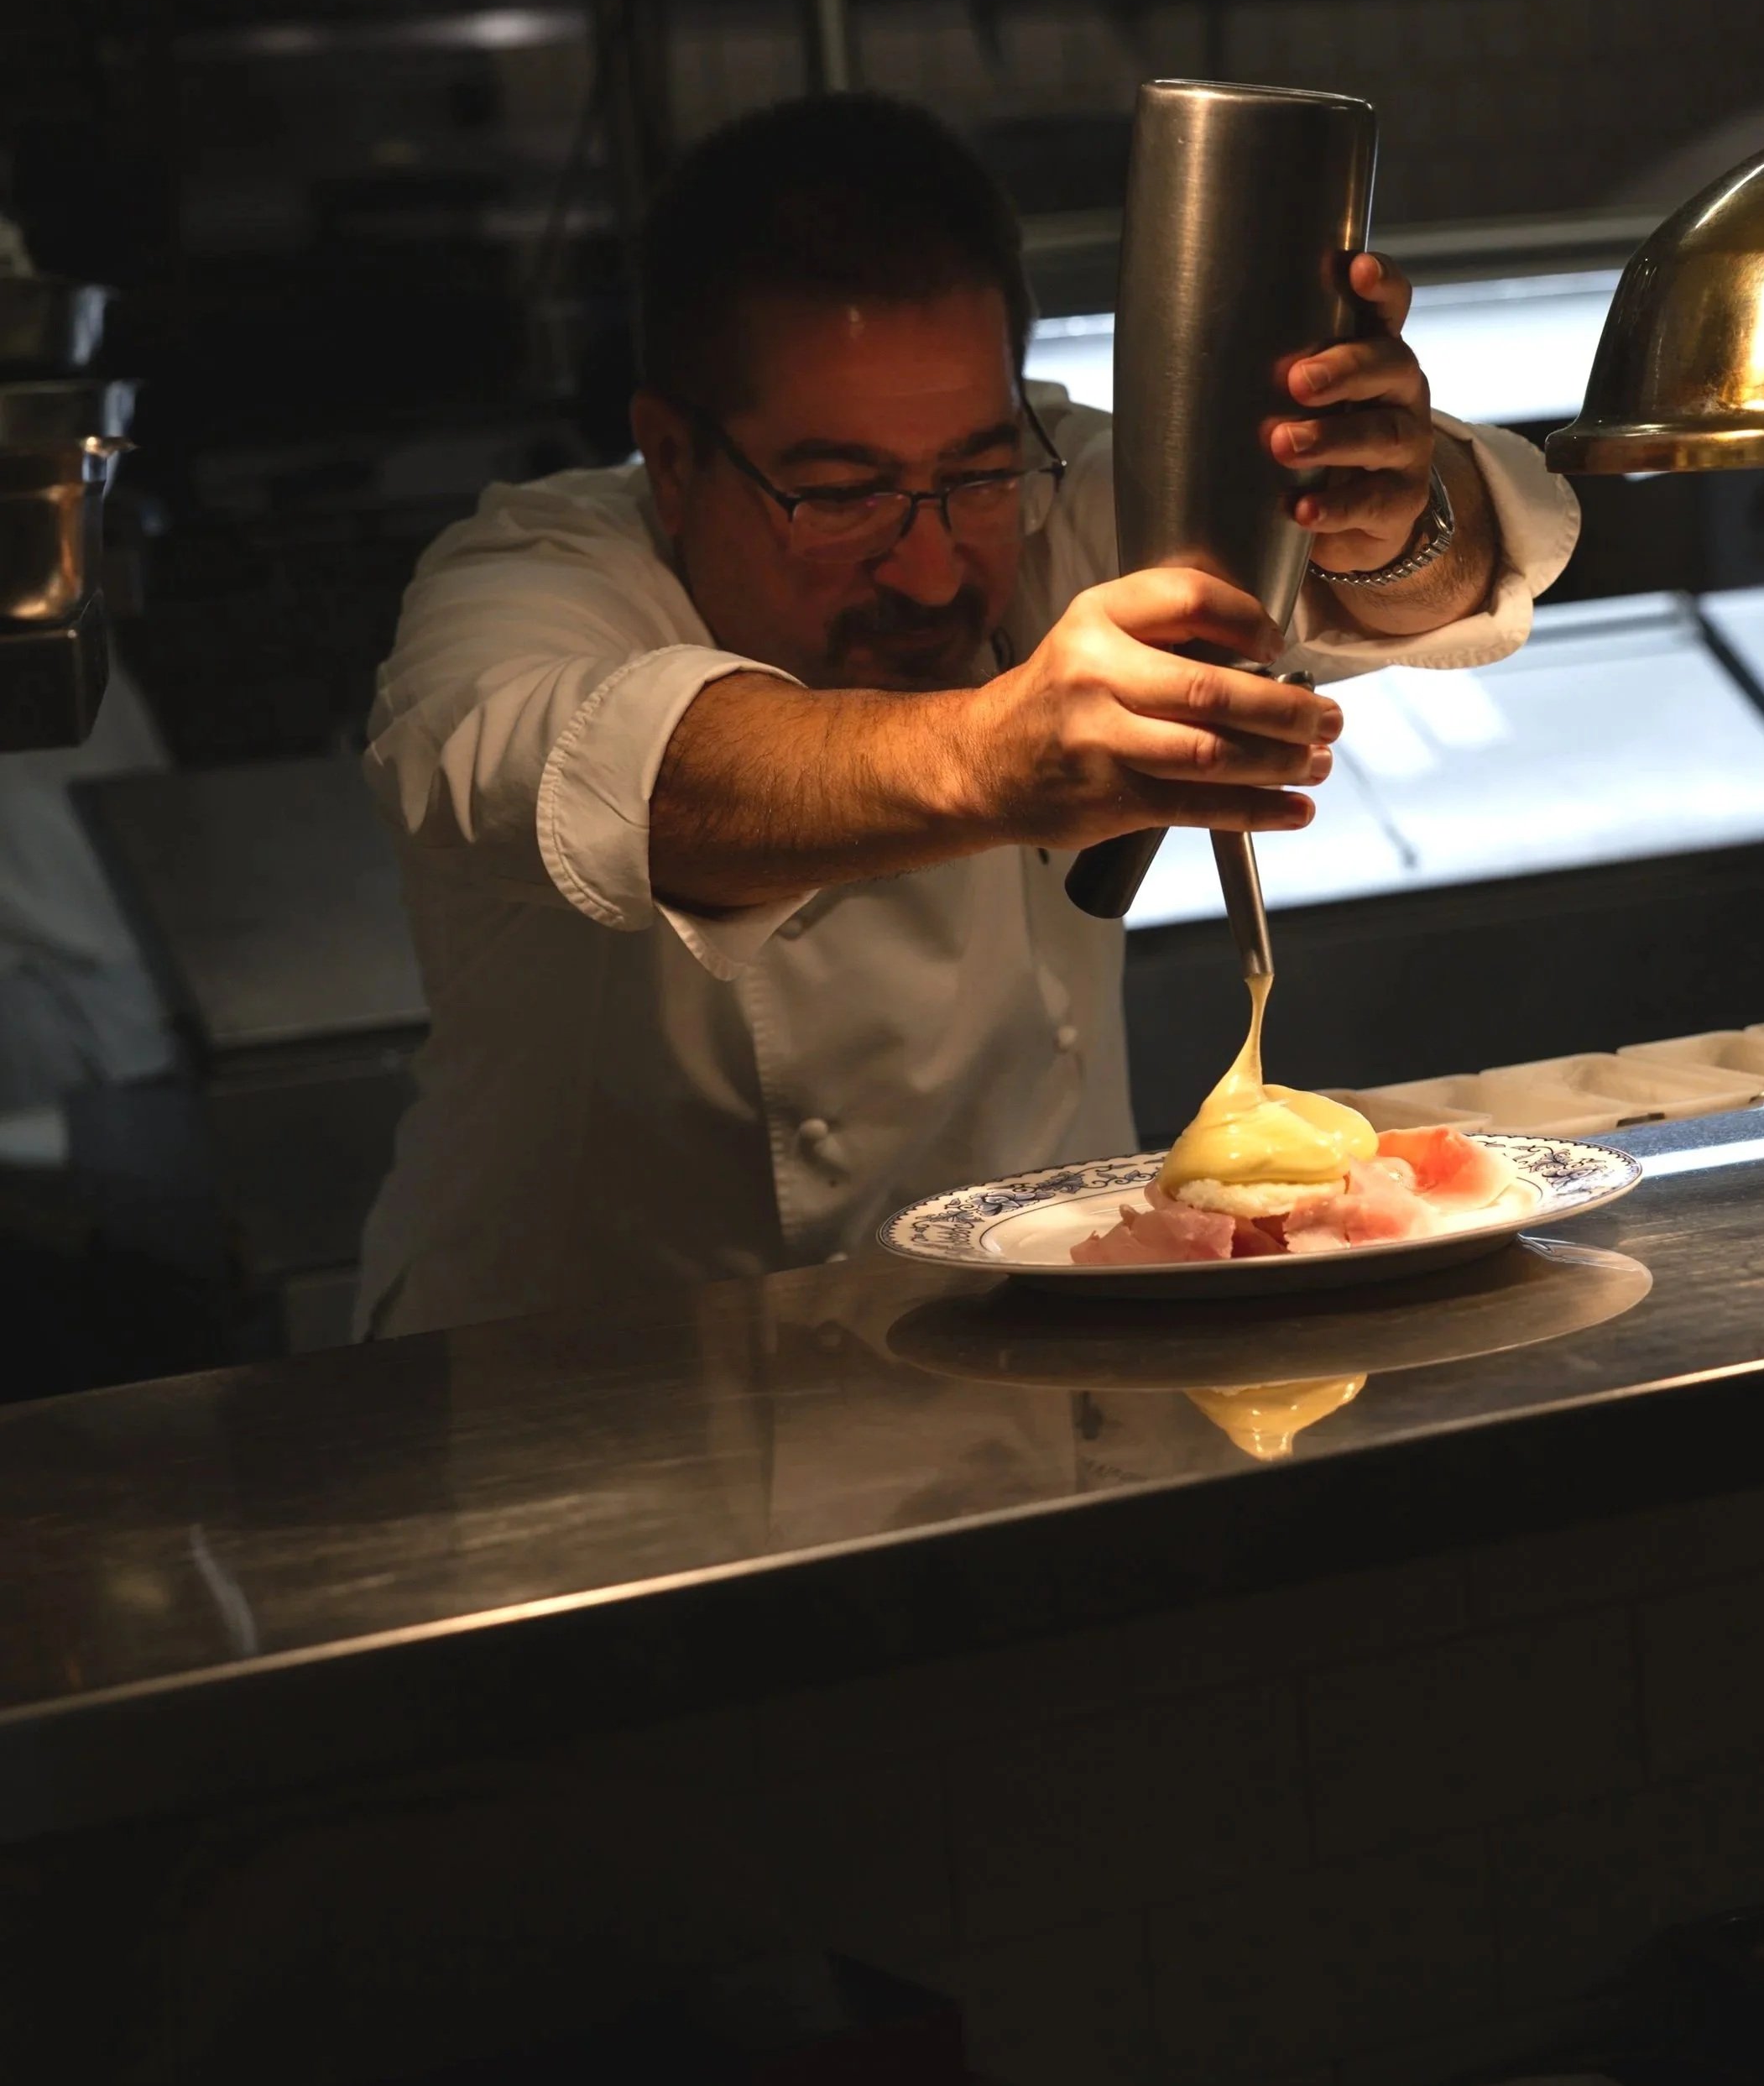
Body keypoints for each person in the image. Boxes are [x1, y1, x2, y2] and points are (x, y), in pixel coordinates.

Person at [357, 93, 1578, 1336]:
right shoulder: (522, 582)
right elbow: (632, 784)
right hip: (591, 1414)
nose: (933, 570)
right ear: (672, 459)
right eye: (840, 495)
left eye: (975, 474)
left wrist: (1388, 518)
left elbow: (1450, 562)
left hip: (1043, 1363)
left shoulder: (1061, 493)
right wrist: (998, 756)